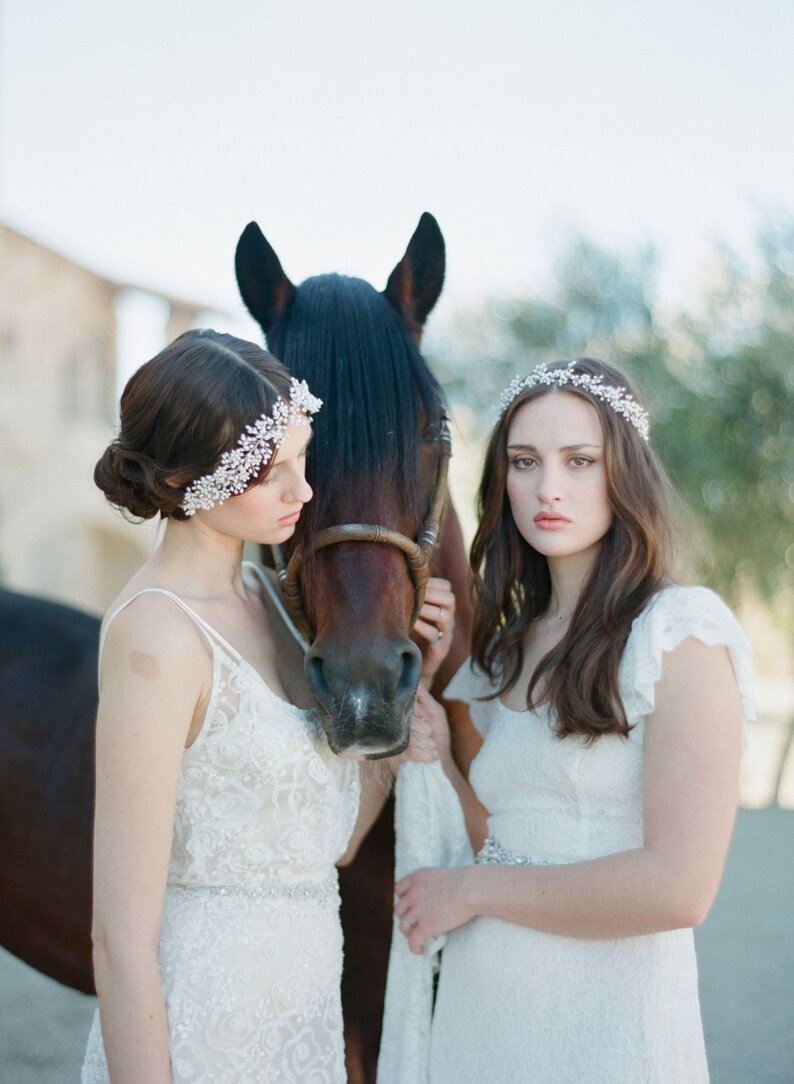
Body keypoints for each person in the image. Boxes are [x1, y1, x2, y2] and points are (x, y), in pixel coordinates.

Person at [80, 329, 453, 1084]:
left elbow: (335, 844)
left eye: (302, 457)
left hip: (302, 1036)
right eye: (270, 471)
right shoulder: (156, 633)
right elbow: (118, 940)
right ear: (193, 479)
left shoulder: (267, 600)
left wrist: (410, 690)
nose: (304, 492)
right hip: (202, 1035)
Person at [394, 357, 755, 1083]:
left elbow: (679, 888)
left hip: (605, 1022)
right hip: (481, 1013)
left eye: (579, 460)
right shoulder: (507, 646)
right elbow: (505, 838)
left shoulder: (679, 633)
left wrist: (468, 891)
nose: (547, 488)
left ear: (626, 473)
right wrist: (427, 718)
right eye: (524, 462)